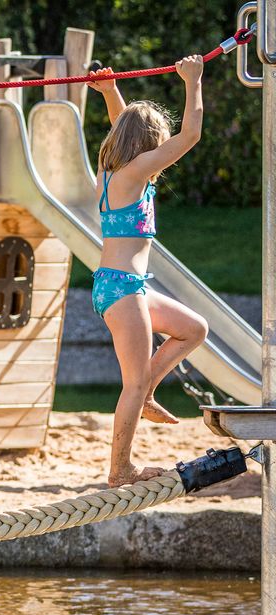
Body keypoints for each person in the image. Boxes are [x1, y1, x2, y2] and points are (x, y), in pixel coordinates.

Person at [86, 58, 209, 486]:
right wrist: (193, 82)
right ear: (148, 145)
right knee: (131, 385)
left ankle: (149, 391)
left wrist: (108, 92)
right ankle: (121, 469)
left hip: (124, 286)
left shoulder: (114, 170)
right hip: (122, 290)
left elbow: (125, 126)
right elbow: (191, 135)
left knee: (193, 329)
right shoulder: (135, 172)